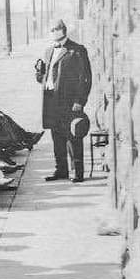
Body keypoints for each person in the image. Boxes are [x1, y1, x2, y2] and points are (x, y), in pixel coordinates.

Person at [36, 19, 92, 183]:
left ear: (64, 30)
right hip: (51, 99)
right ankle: (61, 170)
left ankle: (78, 172)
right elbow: (44, 78)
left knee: (73, 135)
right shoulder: (48, 51)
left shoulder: (77, 50)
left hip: (69, 101)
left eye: (57, 29)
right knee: (57, 135)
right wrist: (39, 73)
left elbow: (85, 78)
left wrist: (80, 100)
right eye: (51, 29)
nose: (54, 32)